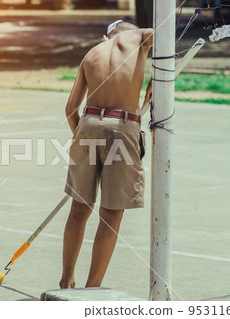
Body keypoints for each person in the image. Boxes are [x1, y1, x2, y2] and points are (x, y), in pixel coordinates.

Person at [60, 21, 153, 289]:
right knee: (111, 213)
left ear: (106, 36)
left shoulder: (92, 53)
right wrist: (156, 81)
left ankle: (67, 280)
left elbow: (70, 108)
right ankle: (93, 287)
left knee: (79, 208)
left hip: (88, 123)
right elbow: (165, 36)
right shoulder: (139, 37)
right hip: (122, 124)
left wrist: (83, 137)